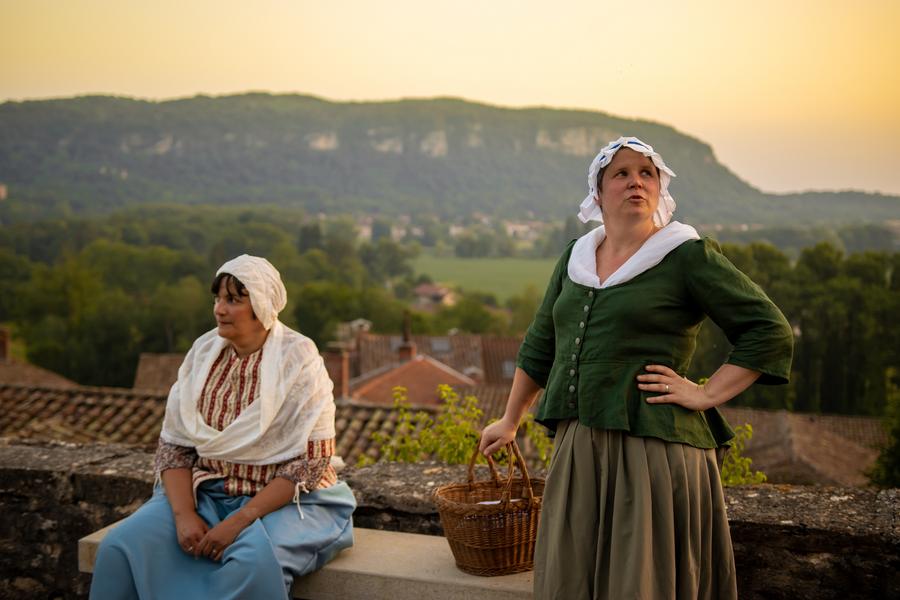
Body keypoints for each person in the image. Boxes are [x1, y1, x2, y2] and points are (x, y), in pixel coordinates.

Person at [479, 137, 793, 599]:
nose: (636, 182)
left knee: (639, 578)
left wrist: (705, 393)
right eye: (621, 173)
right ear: (598, 191)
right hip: (581, 443)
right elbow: (541, 343)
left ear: (660, 186)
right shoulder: (575, 257)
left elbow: (769, 330)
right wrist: (510, 419)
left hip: (654, 451)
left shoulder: (686, 254)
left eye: (647, 173)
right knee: (572, 575)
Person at [90, 255, 355, 600]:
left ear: (262, 305)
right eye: (217, 298)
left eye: (233, 300)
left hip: (286, 502)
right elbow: (175, 447)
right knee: (119, 548)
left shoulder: (299, 360)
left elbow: (310, 463)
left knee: (251, 565)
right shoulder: (203, 354)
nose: (219, 309)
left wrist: (238, 521)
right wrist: (184, 515)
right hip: (208, 493)